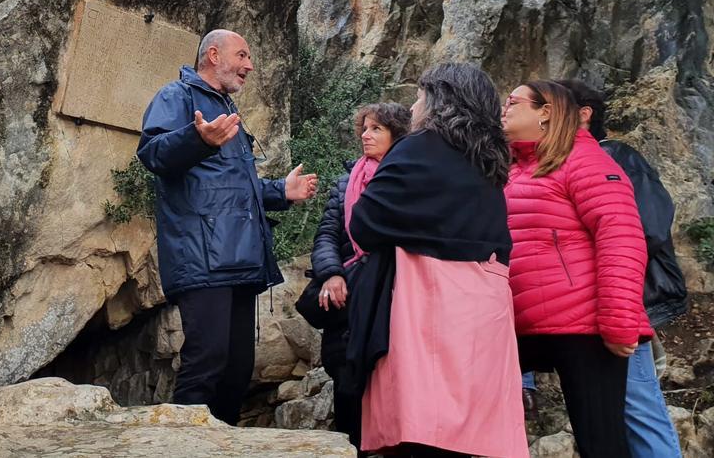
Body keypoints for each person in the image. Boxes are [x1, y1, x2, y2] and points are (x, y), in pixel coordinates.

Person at [137, 29, 318, 425]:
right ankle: (180, 450)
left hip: (238, 258)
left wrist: (280, 191)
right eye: (243, 55)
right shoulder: (177, 97)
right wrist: (196, 139)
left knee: (236, 372)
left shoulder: (224, 108)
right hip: (202, 257)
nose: (250, 65)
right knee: (207, 364)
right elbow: (153, 154)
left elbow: (235, 188)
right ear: (213, 55)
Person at [348, 63, 527, 458]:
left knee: (425, 428)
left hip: (431, 300)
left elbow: (365, 223)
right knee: (475, 432)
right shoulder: (491, 156)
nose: (413, 107)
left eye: (419, 96)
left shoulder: (419, 148)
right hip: (487, 300)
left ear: (438, 100)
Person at [503, 80, 654, 458]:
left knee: (600, 442)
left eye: (514, 101)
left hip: (584, 325)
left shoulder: (586, 160)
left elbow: (621, 237)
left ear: (547, 111)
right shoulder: (517, 168)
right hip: (523, 322)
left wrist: (619, 323)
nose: (504, 108)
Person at [556, 78, 686, 458]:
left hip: (624, 299)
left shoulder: (617, 157)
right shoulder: (561, 164)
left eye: (553, 107)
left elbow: (647, 228)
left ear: (583, 115)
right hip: (589, 306)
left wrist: (610, 273)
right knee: (611, 414)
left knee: (637, 406)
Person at [307, 102, 411, 451]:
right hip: (348, 299)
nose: (365, 135)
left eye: (376, 129)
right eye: (364, 129)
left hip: (392, 298)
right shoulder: (345, 183)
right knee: (349, 393)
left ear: (396, 135)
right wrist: (331, 274)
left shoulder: (410, 181)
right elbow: (325, 236)